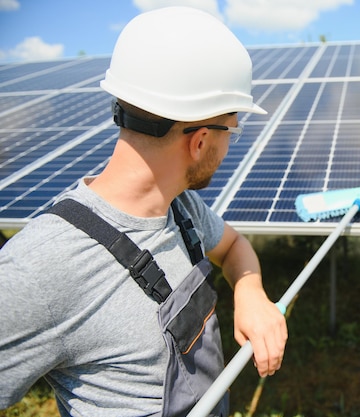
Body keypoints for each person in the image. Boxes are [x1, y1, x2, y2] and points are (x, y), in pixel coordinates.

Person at [0, 7, 287, 417]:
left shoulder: (182, 208)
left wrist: (250, 291)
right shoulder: (42, 266)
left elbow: (234, 245)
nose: (230, 145)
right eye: (233, 129)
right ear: (201, 141)